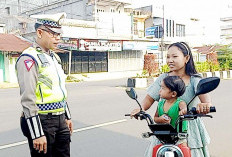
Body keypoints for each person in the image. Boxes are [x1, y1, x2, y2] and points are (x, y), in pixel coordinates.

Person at [131, 42, 212, 157]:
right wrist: (140, 109)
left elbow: (206, 101)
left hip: (188, 130)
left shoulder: (195, 80)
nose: (170, 60)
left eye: (175, 56)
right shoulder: (163, 78)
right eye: (168, 57)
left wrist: (205, 106)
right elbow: (149, 99)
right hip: (165, 130)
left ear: (186, 58)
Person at [16, 12, 73, 157]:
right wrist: (37, 133)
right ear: (40, 32)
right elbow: (28, 99)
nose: (58, 38)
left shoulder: (55, 57)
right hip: (42, 120)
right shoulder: (29, 58)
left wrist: (67, 116)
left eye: (59, 34)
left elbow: (59, 90)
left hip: (60, 119)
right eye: (53, 34)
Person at [154, 75, 188, 146]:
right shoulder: (160, 104)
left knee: (184, 151)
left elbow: (184, 109)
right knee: (156, 150)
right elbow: (155, 118)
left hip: (179, 138)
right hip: (163, 137)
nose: (160, 90)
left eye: (163, 88)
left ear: (173, 94)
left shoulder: (180, 103)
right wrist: (160, 119)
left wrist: (183, 111)